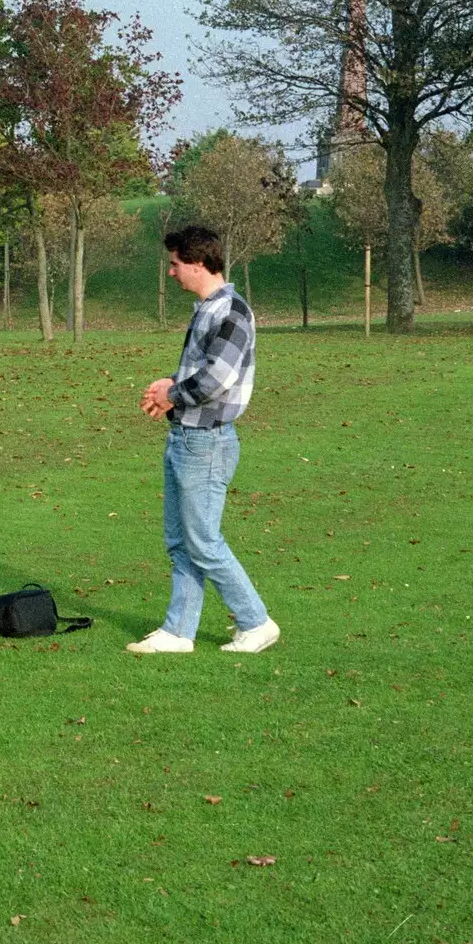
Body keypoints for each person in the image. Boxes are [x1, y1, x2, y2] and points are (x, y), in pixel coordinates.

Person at [131, 226, 279, 654]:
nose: (172, 273)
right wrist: (172, 384)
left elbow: (218, 378)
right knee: (181, 541)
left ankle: (255, 621)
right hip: (185, 437)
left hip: (207, 443)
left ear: (198, 263)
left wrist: (172, 394)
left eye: (175, 265)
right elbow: (204, 371)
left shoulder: (231, 312)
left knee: (203, 541)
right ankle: (179, 631)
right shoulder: (208, 309)